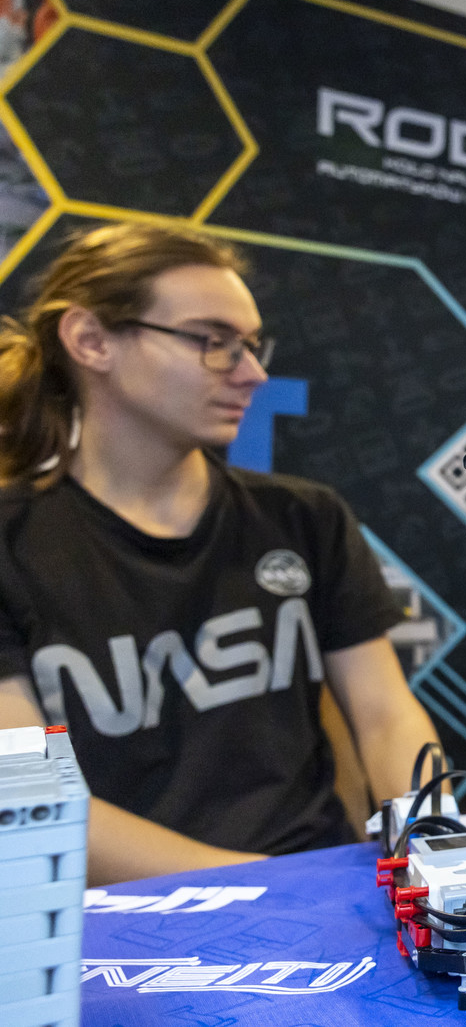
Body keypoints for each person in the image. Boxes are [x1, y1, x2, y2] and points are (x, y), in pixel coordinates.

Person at [0, 222, 440, 884]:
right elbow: (34, 801)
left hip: (323, 886)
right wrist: (268, 889)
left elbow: (384, 714)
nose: (253, 373)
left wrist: (435, 849)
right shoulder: (12, 545)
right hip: (133, 916)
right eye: (212, 341)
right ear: (91, 340)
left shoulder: (303, 517)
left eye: (251, 345)